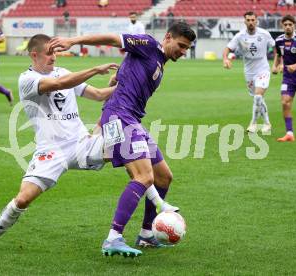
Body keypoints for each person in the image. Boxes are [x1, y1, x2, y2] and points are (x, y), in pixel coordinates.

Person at [0, 34, 177, 253]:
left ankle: (156, 208)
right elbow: (59, 84)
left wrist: (126, 84)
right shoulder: (27, 80)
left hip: (82, 144)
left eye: (55, 52)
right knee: (23, 199)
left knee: (128, 147)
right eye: (49, 53)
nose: (54, 57)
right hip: (51, 152)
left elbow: (97, 94)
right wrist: (95, 70)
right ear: (34, 55)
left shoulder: (64, 72)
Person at [48, 22, 196, 257]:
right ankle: (113, 237)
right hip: (120, 117)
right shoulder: (147, 44)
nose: (183, 51)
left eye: (186, 48)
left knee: (163, 177)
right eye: (180, 45)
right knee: (143, 176)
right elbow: (113, 39)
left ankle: (146, 234)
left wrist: (117, 80)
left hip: (131, 119)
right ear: (168, 37)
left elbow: (124, 78)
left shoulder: (159, 63)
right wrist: (74, 42)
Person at [223, 11, 275, 133]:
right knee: (258, 98)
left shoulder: (264, 34)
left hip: (263, 69)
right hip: (249, 71)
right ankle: (267, 123)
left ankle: (253, 123)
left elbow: (276, 47)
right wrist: (225, 59)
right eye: (248, 20)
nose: (251, 22)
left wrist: (278, 63)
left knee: (258, 96)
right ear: (245, 21)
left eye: (253, 20)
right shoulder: (240, 36)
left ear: (257, 21)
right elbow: (228, 48)